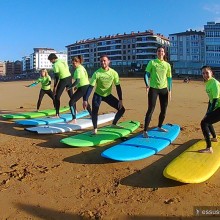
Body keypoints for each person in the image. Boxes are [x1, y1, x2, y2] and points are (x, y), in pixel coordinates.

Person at [83, 55, 125, 134]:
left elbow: (118, 87)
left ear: (109, 61)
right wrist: (85, 99)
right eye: (101, 61)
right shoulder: (97, 73)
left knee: (122, 109)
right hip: (98, 95)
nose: (103, 62)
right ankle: (95, 129)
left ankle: (114, 124)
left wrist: (120, 100)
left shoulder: (113, 73)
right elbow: (91, 87)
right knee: (95, 112)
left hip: (108, 95)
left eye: (104, 60)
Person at [143, 46, 172, 138]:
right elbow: (146, 75)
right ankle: (145, 131)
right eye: (159, 51)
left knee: (164, 110)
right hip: (153, 89)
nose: (160, 52)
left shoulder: (167, 65)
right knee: (151, 109)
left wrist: (170, 90)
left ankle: (159, 126)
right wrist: (147, 85)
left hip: (164, 90)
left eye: (162, 51)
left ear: (164, 53)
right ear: (157, 53)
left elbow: (169, 78)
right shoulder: (152, 62)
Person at [198, 66, 220, 153]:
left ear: (211, 73)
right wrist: (208, 112)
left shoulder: (214, 82)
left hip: (218, 107)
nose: (205, 75)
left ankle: (209, 148)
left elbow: (215, 99)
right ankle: (214, 137)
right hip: (216, 106)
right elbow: (210, 100)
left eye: (207, 72)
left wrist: (210, 112)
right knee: (207, 120)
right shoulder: (208, 83)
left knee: (204, 123)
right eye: (203, 73)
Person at [67, 55, 92, 124]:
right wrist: (77, 86)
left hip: (83, 87)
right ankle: (92, 115)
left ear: (78, 62)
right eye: (72, 63)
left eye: (75, 63)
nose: (73, 64)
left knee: (71, 102)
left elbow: (77, 80)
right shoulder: (82, 68)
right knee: (86, 102)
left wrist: (70, 87)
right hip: (86, 85)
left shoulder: (78, 70)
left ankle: (74, 119)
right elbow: (83, 78)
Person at [48, 53, 73, 117]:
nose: (50, 62)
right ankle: (75, 111)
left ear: (53, 59)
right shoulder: (62, 60)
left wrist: (54, 87)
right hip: (70, 78)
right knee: (71, 96)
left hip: (63, 79)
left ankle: (57, 114)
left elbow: (56, 77)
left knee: (57, 96)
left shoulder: (55, 65)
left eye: (50, 60)